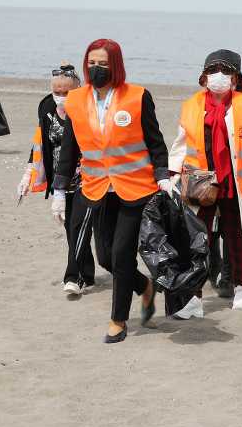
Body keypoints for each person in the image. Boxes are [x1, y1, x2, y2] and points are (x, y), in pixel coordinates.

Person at [51, 39, 172, 344]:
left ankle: (118, 320)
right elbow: (69, 148)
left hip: (135, 189)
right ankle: (144, 286)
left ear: (115, 65)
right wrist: (59, 190)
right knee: (104, 257)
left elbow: (155, 143)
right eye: (92, 62)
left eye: (103, 63)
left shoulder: (137, 97)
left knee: (121, 255)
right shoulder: (75, 100)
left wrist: (163, 177)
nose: (96, 68)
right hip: (96, 189)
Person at [168, 49, 242, 311]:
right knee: (197, 239)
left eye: (225, 71)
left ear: (236, 78)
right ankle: (194, 296)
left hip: (236, 181)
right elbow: (181, 144)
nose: (219, 76)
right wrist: (172, 175)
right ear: (204, 76)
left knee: (238, 237)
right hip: (200, 181)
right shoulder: (192, 105)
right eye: (213, 70)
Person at [15, 64, 108, 297]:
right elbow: (40, 142)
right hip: (60, 179)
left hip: (88, 178)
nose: (61, 96)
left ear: (79, 88)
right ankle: (86, 274)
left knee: (79, 226)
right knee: (71, 230)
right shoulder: (46, 106)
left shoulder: (90, 106)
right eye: (57, 91)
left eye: (67, 92)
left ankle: (72, 276)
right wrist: (29, 174)